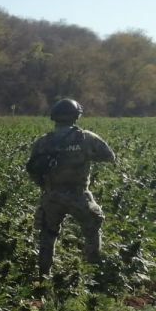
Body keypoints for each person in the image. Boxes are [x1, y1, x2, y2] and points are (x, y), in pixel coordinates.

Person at [26, 98, 115, 277]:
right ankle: (93, 274)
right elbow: (109, 157)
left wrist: (45, 187)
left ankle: (43, 277)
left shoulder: (43, 142)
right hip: (79, 195)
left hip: (51, 195)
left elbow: (32, 169)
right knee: (91, 230)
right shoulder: (85, 137)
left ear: (54, 117)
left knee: (48, 234)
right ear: (76, 116)